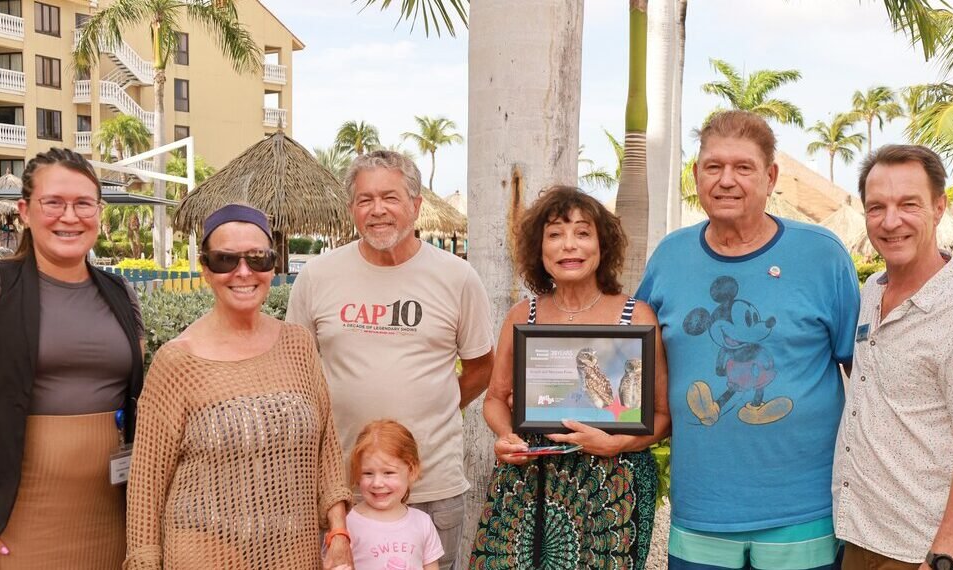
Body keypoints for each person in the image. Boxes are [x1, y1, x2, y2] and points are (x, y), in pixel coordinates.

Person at [635, 111, 860, 570]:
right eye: (713, 167)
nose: (726, 180)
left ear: (771, 176)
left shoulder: (822, 254)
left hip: (804, 509)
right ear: (696, 174)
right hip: (700, 509)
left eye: (743, 167)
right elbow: (635, 366)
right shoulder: (669, 257)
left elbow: (865, 375)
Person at [286, 149, 495, 570]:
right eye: (365, 199)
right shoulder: (317, 277)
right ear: (352, 209)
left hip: (431, 487)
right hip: (340, 490)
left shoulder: (457, 278)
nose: (377, 210)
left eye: (390, 197)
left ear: (416, 206)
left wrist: (432, 408)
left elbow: (480, 367)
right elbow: (297, 370)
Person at [125, 204, 353, 569]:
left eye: (258, 258)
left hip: (293, 552)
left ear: (273, 264)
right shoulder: (178, 362)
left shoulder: (298, 344)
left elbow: (326, 448)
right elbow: (146, 487)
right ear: (205, 269)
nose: (243, 272)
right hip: (204, 553)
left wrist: (339, 533)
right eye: (225, 259)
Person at [469, 186, 670, 569]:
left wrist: (618, 444)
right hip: (529, 479)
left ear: (601, 246)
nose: (568, 246)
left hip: (612, 485)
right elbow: (495, 398)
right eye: (555, 234)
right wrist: (506, 436)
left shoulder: (636, 316)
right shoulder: (521, 316)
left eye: (582, 233)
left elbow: (661, 413)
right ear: (539, 249)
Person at [833, 145, 953, 570]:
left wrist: (944, 557)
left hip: (922, 551)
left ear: (938, 208)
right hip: (862, 537)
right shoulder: (872, 291)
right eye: (877, 207)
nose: (891, 221)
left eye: (908, 204)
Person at [0, 148, 144, 570]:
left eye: (83, 203)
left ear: (98, 211)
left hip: (114, 516)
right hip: (16, 516)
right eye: (53, 202)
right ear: (25, 211)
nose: (69, 217)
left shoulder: (121, 294)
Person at [343, 420, 444, 570]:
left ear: (412, 470)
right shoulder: (347, 524)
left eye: (388, 473)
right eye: (368, 473)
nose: (377, 483)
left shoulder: (422, 523)